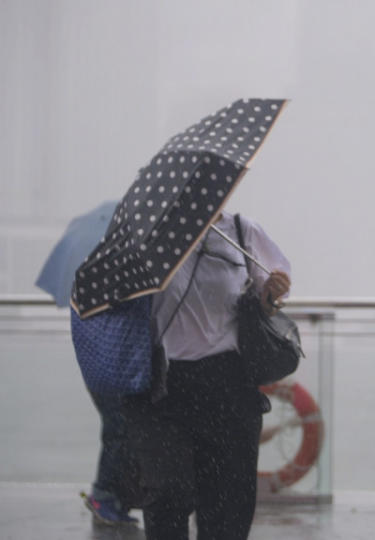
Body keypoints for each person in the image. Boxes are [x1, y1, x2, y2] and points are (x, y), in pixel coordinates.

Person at [124, 211, 291, 540]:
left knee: (229, 507)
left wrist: (272, 295)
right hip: (164, 385)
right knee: (166, 498)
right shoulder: (151, 235)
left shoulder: (241, 232)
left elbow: (270, 299)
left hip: (229, 383)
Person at [81, 392, 141, 525]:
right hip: (115, 383)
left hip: (110, 381)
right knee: (119, 433)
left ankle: (113, 497)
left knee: (120, 433)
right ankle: (104, 495)